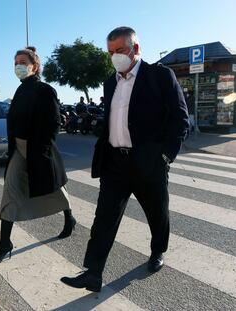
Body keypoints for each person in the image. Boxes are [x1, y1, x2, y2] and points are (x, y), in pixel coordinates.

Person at [61, 26, 189, 292]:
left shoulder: (159, 76)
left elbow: (180, 119)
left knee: (157, 212)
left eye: (120, 50)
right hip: (115, 163)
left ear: (136, 49)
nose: (115, 56)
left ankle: (157, 252)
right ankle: (93, 272)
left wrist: (165, 156)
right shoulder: (111, 82)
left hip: (148, 162)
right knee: (104, 218)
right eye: (110, 52)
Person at [0, 47, 76, 265]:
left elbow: (53, 123)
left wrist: (41, 148)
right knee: (10, 191)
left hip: (39, 149)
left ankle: (69, 218)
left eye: (23, 61)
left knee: (54, 188)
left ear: (34, 66)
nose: (18, 66)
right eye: (16, 62)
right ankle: (4, 243)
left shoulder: (45, 90)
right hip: (19, 149)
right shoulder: (19, 91)